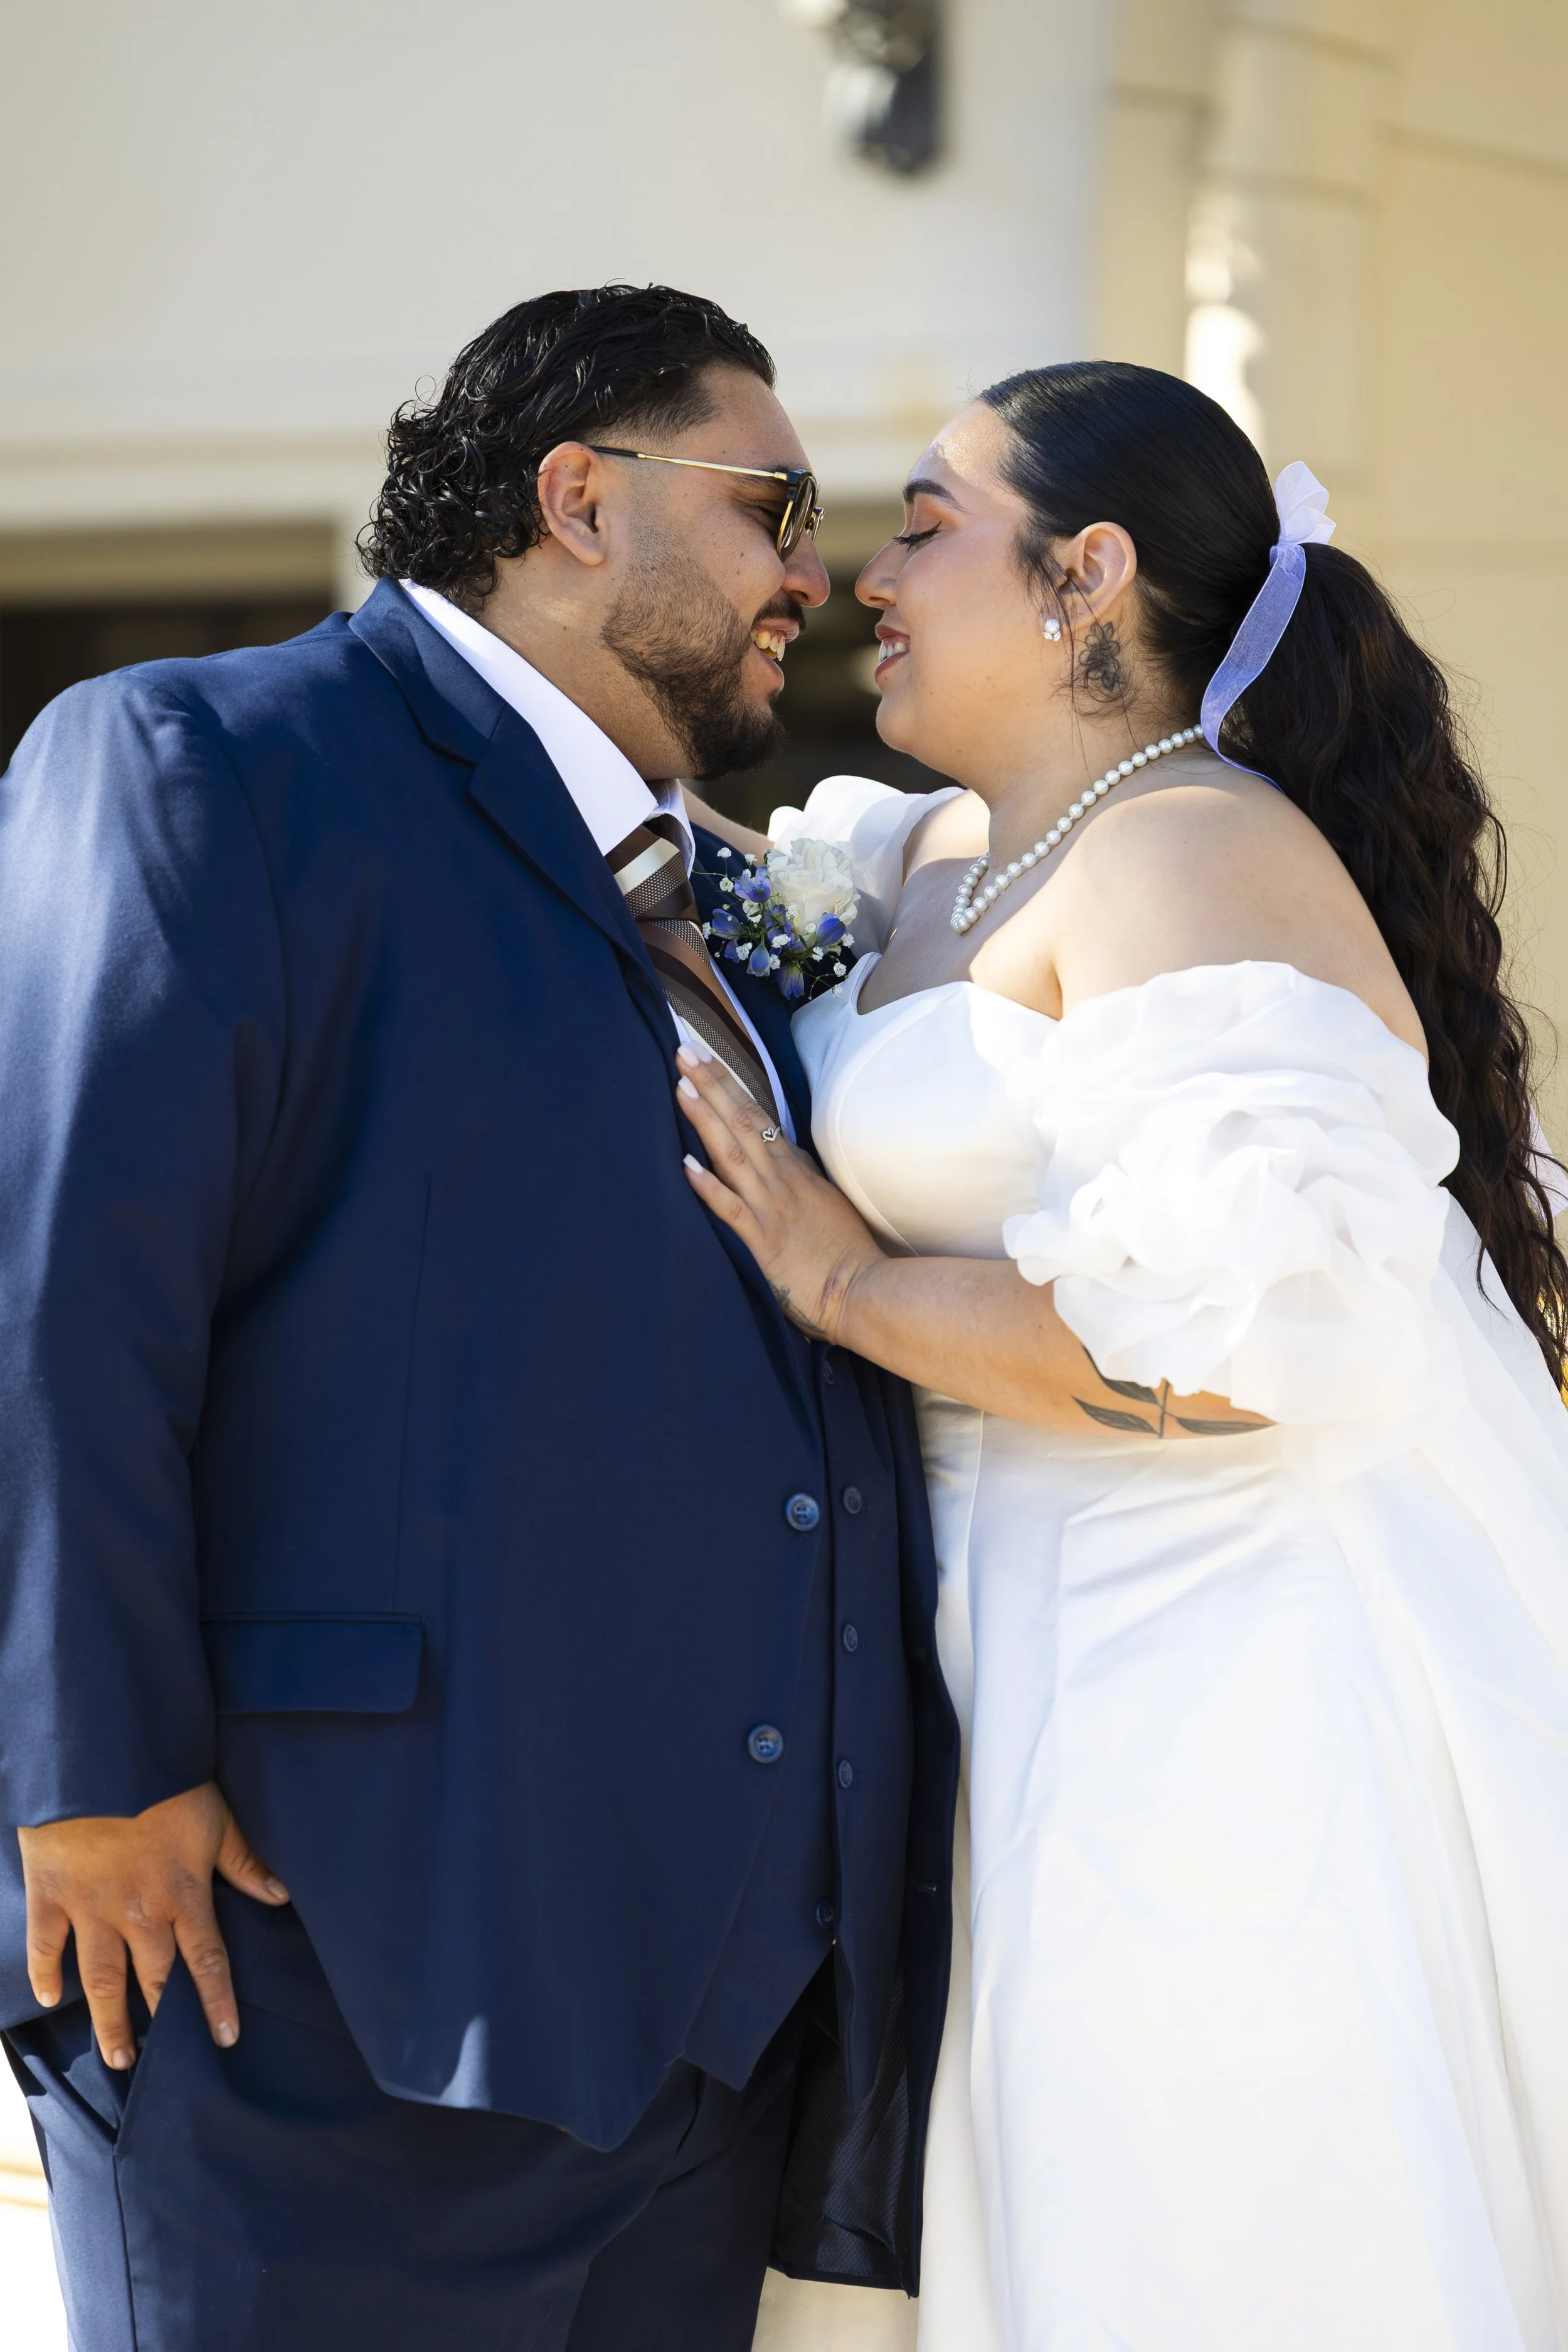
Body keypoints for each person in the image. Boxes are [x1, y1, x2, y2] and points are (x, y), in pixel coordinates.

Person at [0, 283, 957, 2352]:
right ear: (575, 499)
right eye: (774, 500)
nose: (817, 568)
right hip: (308, 1986)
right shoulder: (208, 761)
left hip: (703, 2046)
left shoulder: (688, 886)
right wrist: (85, 1776)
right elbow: (55, 1278)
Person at [696, 363, 1568, 2352]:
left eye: (924, 522)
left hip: (1212, 1663)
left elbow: (1256, 1335)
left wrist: (842, 1287)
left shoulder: (1184, 846)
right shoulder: (923, 857)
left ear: (1084, 573)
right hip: (989, 1648)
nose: (863, 576)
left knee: (1208, 2233)